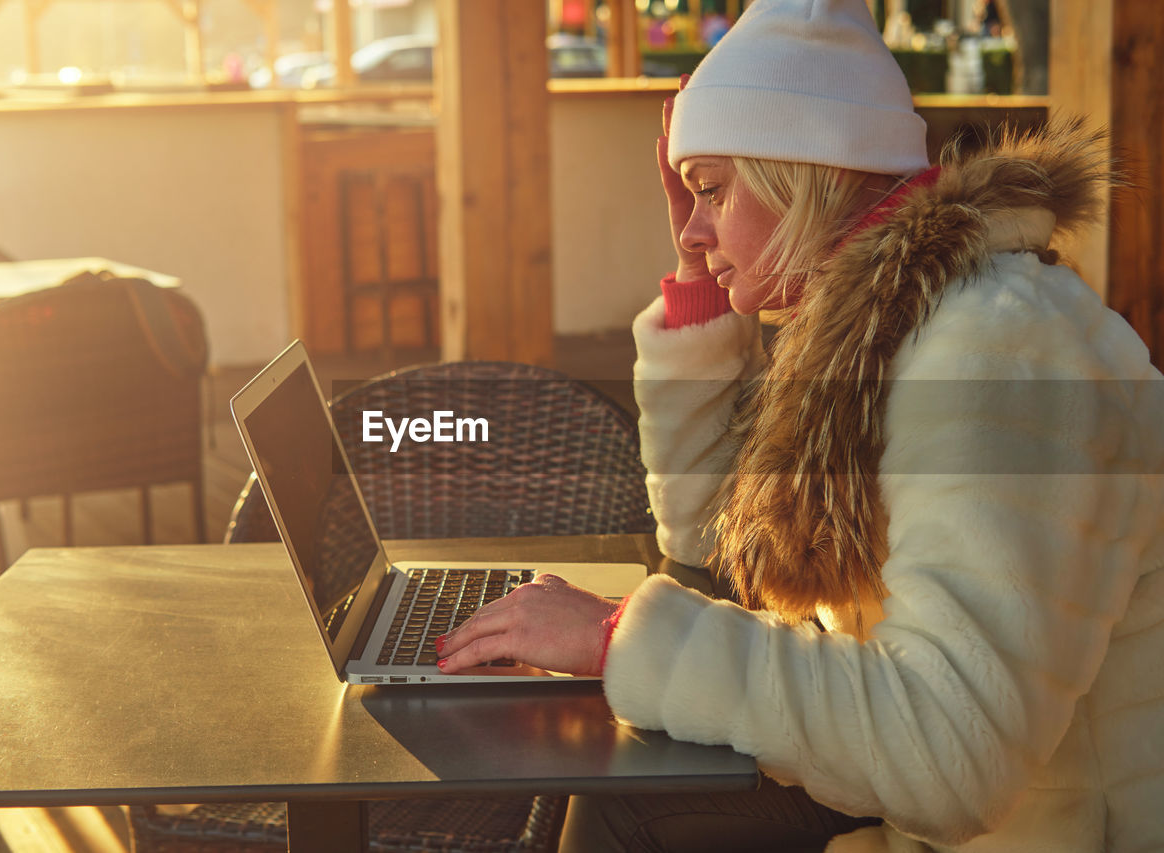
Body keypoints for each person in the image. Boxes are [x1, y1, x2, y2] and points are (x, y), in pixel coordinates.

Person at [438, 0, 1164, 850]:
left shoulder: (998, 352)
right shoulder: (874, 327)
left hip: (1056, 831)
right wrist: (699, 284)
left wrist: (613, 637)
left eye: (712, 190)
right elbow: (721, 556)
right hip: (947, 812)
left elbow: (949, 754)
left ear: (804, 172)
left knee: (624, 802)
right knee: (622, 781)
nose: (694, 225)